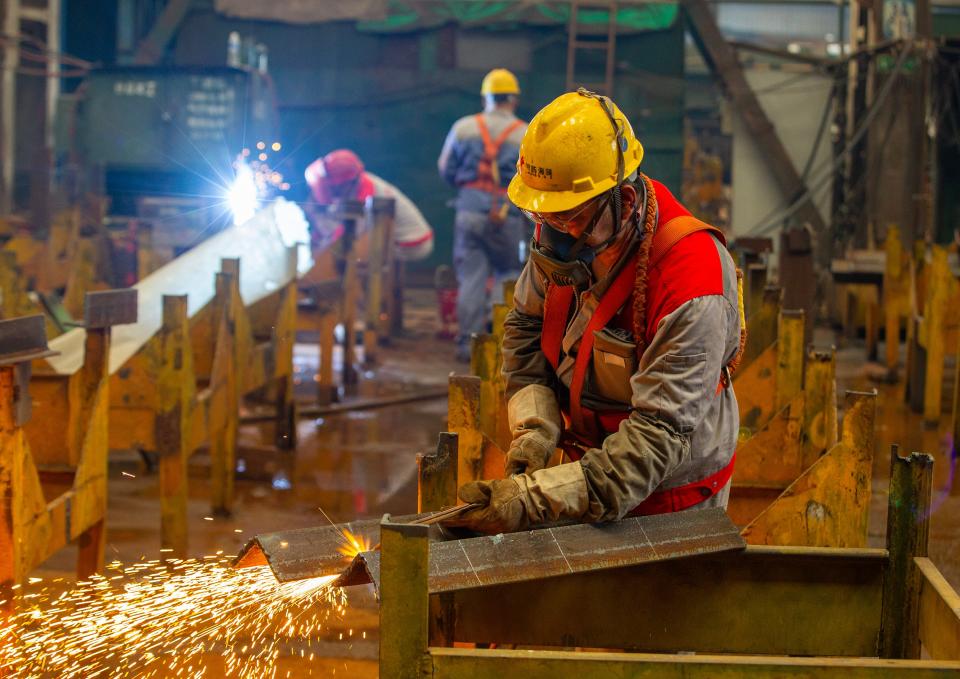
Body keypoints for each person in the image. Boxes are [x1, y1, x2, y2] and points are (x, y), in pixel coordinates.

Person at [446, 90, 745, 534]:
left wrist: (536, 498)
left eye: (569, 219)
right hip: (586, 469)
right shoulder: (566, 234)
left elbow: (658, 438)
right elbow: (525, 327)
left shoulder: (691, 281)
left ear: (624, 201)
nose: (553, 235)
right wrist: (537, 428)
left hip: (671, 491)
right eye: (540, 216)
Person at [438, 68, 528, 362]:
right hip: (508, 214)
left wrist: (470, 192)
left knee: (471, 279)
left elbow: (446, 169)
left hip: (469, 211)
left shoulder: (463, 128)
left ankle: (468, 347)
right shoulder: (525, 133)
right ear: (513, 100)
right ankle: (501, 347)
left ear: (485, 98)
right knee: (508, 276)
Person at [304, 149, 434, 261]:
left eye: (331, 186)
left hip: (412, 244)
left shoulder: (370, 196)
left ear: (345, 184)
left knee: (349, 252)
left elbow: (349, 236)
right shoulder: (358, 182)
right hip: (403, 240)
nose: (329, 189)